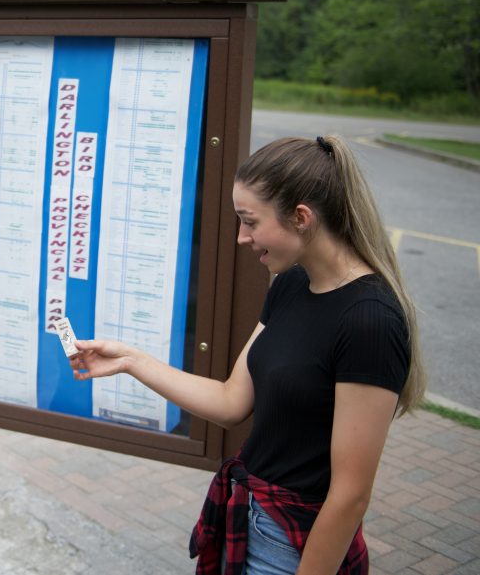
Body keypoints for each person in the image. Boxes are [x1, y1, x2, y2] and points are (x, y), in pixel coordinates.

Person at [70, 135, 425, 574]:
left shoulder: (370, 321)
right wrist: (129, 360)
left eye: (250, 221)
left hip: (294, 547)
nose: (241, 237)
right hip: (247, 516)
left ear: (301, 218)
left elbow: (350, 496)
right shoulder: (292, 284)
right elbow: (231, 402)